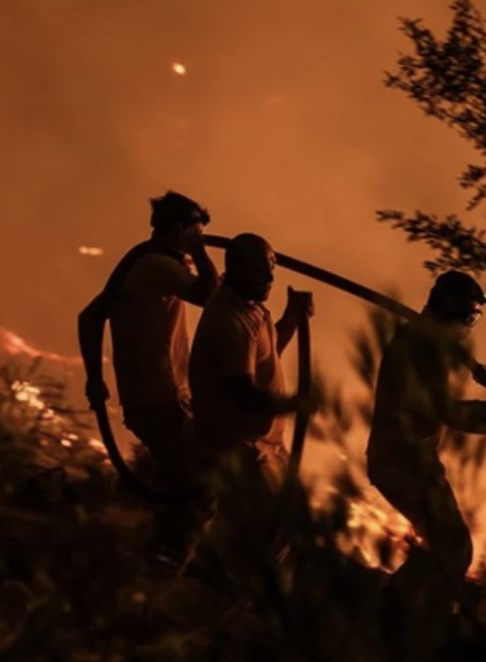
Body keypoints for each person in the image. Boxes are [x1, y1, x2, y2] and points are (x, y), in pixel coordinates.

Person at [366, 271, 486, 636]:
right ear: (448, 308)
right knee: (454, 546)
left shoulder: (428, 343)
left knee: (449, 549)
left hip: (409, 461)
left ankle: (413, 619)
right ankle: (393, 616)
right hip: (404, 461)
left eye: (476, 318)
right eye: (469, 317)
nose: (469, 328)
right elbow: (445, 411)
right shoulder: (419, 346)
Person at [77, 191, 219, 555]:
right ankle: (166, 565)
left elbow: (90, 316)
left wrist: (96, 379)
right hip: (162, 400)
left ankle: (150, 555)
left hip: (156, 399)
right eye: (194, 233)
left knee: (178, 485)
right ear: (178, 231)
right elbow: (211, 295)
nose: (197, 243)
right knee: (201, 489)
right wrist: (201, 253)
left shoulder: (144, 265)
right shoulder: (157, 266)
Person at [187, 233, 314, 488]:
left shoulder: (249, 308)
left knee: (289, 521)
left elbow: (268, 352)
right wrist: (292, 404)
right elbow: (243, 393)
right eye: (260, 270)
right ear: (235, 268)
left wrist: (292, 316)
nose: (269, 278)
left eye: (271, 268)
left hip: (266, 446)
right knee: (267, 524)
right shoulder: (228, 319)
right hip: (241, 451)